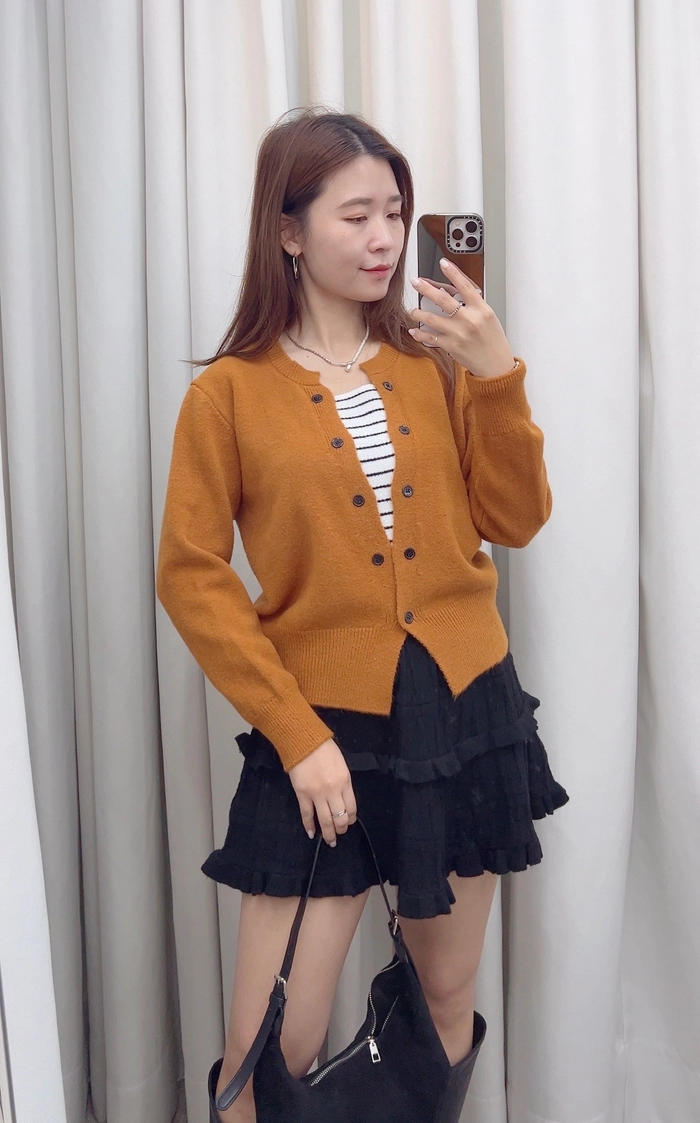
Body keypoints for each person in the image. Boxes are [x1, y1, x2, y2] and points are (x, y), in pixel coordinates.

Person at [156, 106, 569, 1122]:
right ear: (288, 231)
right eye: (356, 215)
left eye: (395, 212)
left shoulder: (436, 362)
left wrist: (496, 375)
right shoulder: (229, 397)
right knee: (267, 1053)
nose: (384, 238)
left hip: (465, 710)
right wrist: (297, 738)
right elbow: (191, 575)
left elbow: (517, 518)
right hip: (322, 730)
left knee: (441, 1002)